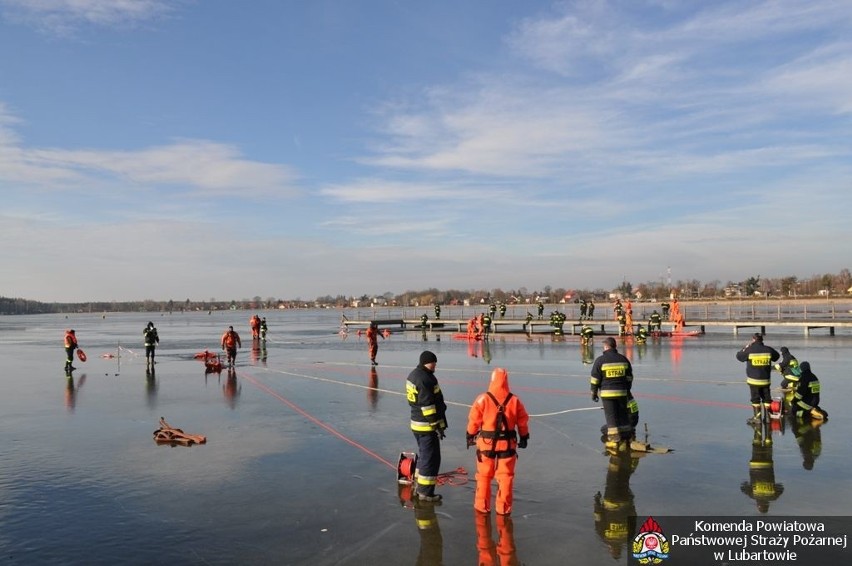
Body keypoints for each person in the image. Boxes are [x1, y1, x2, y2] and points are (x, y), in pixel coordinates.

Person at [466, 368, 530, 516]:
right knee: (505, 476)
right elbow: (523, 422)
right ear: (506, 381)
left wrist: (470, 435)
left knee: (484, 476)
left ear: (492, 380)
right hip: (507, 445)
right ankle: (503, 509)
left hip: (486, 445)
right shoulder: (515, 401)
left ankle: (482, 507)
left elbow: (473, 421)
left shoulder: (482, 399)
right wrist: (524, 437)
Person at [406, 351, 448, 502]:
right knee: (431, 458)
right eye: (434, 363)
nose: (435, 365)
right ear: (426, 362)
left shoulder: (415, 375)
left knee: (424, 455)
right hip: (426, 426)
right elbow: (428, 406)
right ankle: (425, 493)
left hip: (417, 424)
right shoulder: (424, 378)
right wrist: (437, 426)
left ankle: (419, 484)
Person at [590, 337, 634, 453]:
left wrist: (593, 393)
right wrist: (627, 389)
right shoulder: (623, 359)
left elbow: (595, 379)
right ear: (615, 346)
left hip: (607, 394)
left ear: (605, 347)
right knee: (623, 416)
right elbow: (629, 377)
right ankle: (626, 438)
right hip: (622, 393)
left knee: (611, 419)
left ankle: (614, 442)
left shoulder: (600, 360)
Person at [736, 333, 780, 424]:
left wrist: (744, 348)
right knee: (767, 399)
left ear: (753, 339)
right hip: (765, 380)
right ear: (762, 340)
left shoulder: (749, 350)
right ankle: (768, 418)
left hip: (753, 380)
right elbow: (777, 357)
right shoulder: (768, 350)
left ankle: (757, 418)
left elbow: (739, 356)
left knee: (755, 399)